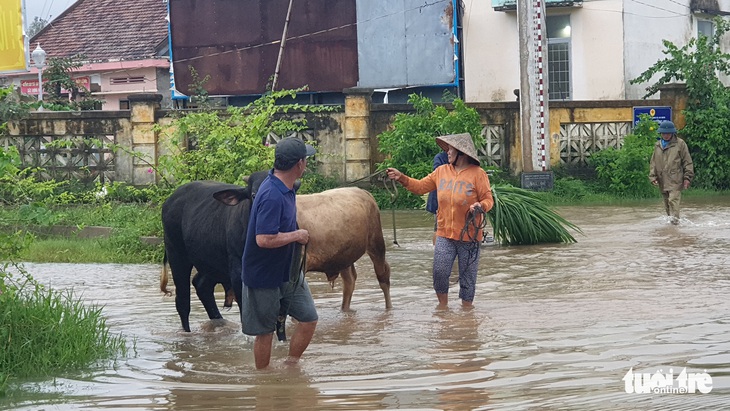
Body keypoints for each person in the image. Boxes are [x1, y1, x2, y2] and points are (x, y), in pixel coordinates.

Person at [386, 133, 494, 309]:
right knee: (440, 272)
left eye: (450, 149)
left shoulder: (478, 174)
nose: (447, 152)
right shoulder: (441, 171)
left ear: (462, 153)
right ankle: (442, 309)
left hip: (470, 235)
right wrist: (402, 178)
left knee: (468, 278)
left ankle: (467, 313)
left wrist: (480, 206)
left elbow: (489, 199)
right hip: (445, 234)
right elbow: (420, 187)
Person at [241, 136, 318, 369]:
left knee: (308, 318)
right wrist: (297, 235)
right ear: (299, 164)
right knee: (265, 332)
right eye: (306, 160)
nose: (306, 164)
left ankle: (291, 366)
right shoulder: (271, 195)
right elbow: (263, 239)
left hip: (288, 271)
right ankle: (263, 381)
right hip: (263, 275)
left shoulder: (287, 186)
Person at [649, 120, 694, 225]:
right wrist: (652, 177)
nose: (666, 135)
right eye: (663, 133)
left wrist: (687, 178)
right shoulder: (658, 145)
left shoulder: (680, 144)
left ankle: (675, 224)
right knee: (666, 203)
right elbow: (653, 162)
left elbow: (687, 161)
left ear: (673, 133)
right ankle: (671, 226)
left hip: (675, 179)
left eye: (668, 133)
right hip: (662, 180)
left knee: (673, 200)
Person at [426, 149, 449, 242]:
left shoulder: (464, 160)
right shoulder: (440, 158)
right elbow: (437, 174)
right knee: (439, 228)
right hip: (439, 197)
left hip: (455, 199)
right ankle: (436, 250)